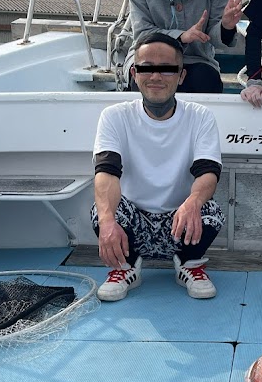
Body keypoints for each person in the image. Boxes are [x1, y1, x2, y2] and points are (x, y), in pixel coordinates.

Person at [92, 30, 224, 302]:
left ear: (181, 75)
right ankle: (126, 267)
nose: (156, 77)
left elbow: (208, 173)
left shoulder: (200, 117)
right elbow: (106, 174)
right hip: (134, 221)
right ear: (134, 73)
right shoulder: (114, 116)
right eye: (147, 69)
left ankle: (188, 265)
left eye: (166, 69)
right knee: (101, 211)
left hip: (179, 221)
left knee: (210, 211)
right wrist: (107, 222)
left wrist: (193, 202)